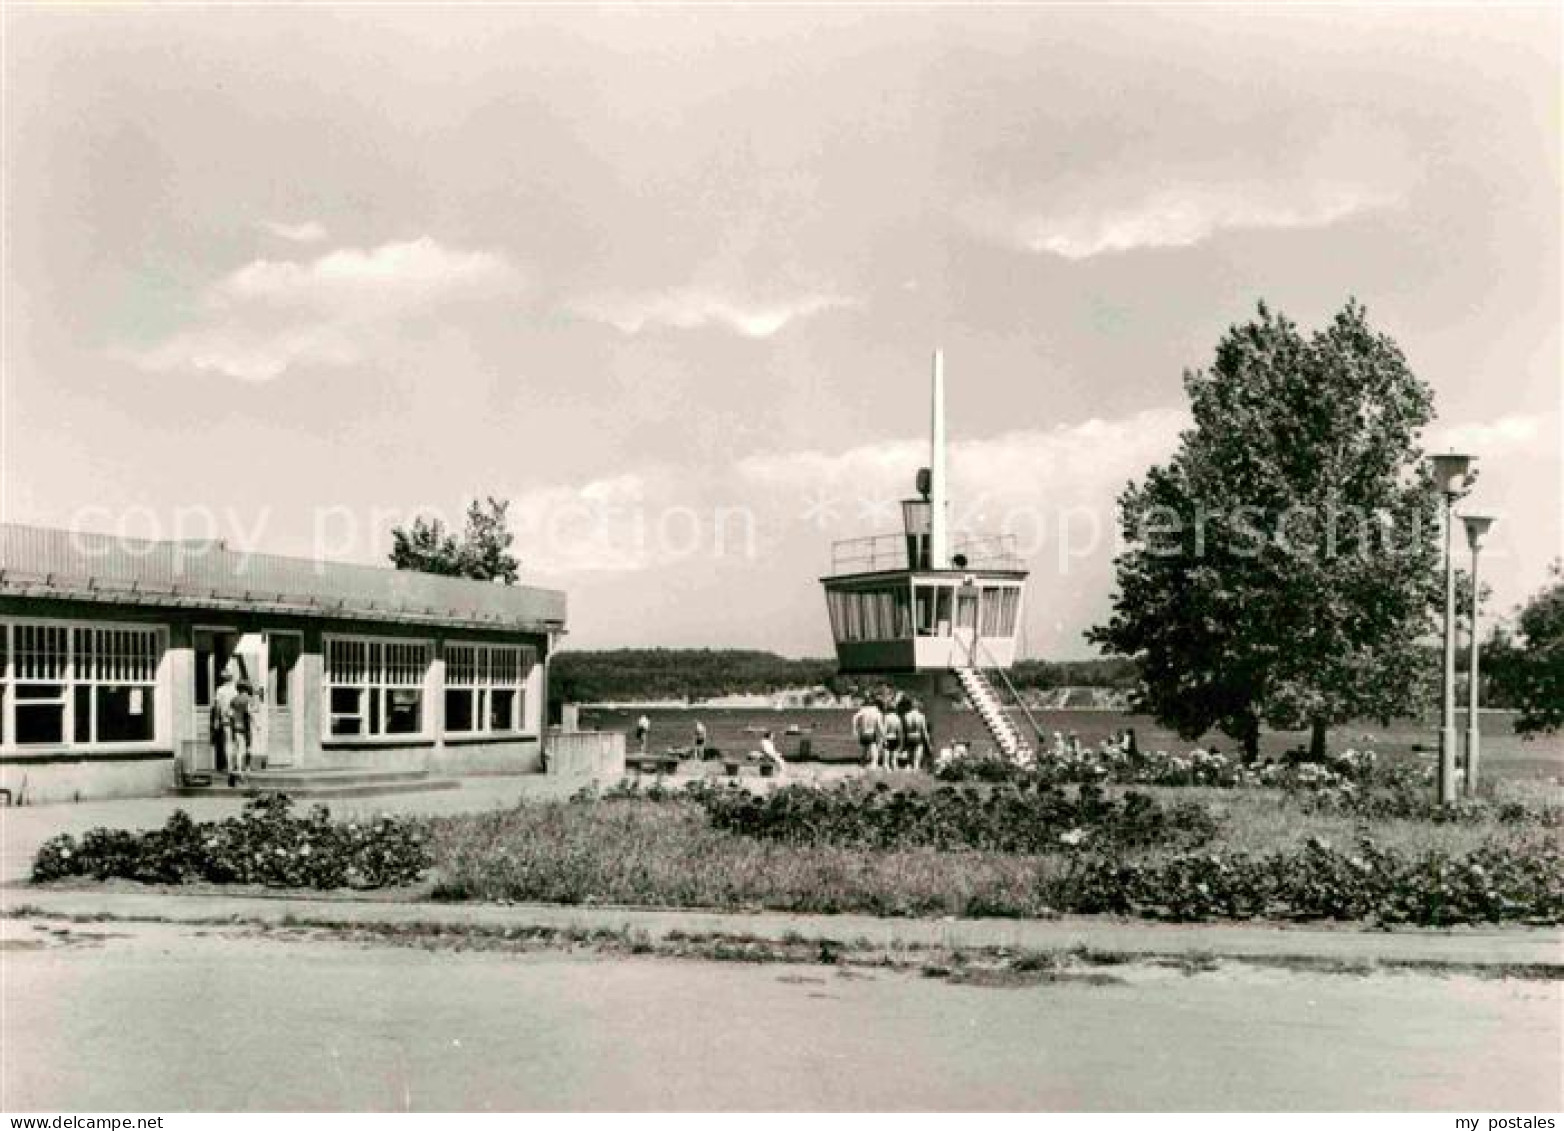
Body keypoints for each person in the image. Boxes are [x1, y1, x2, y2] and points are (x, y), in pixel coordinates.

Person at [211, 670, 238, 779]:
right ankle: (236, 765)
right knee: (236, 741)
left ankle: (230, 766)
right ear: (231, 678)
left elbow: (217, 706)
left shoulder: (220, 690)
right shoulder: (235, 690)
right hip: (237, 718)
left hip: (225, 718)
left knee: (228, 742)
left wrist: (216, 719)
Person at [230, 680, 256, 777]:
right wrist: (256, 724)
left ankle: (239, 769)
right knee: (248, 747)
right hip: (246, 726)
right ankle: (248, 768)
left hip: (236, 726)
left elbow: (229, 713)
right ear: (246, 689)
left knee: (238, 749)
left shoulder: (234, 700)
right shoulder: (248, 699)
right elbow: (249, 712)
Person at [852, 697, 884, 770]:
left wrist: (854, 729)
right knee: (874, 748)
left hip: (863, 733)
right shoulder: (877, 712)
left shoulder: (864, 710)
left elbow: (855, 717)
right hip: (871, 733)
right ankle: (874, 763)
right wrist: (883, 735)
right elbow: (879, 725)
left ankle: (863, 762)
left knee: (865, 748)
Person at [903, 698, 930, 772]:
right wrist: (928, 743)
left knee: (910, 752)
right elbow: (924, 731)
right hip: (918, 736)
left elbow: (904, 729)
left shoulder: (906, 715)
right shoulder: (921, 716)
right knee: (918, 751)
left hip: (909, 736)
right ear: (918, 706)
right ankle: (916, 767)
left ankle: (908, 766)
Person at [882, 704, 904, 771]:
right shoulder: (897, 718)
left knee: (887, 752)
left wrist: (884, 739)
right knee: (894, 754)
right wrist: (900, 740)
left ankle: (886, 766)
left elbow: (884, 729)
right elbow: (900, 730)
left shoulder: (886, 717)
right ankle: (894, 766)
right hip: (895, 737)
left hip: (888, 737)